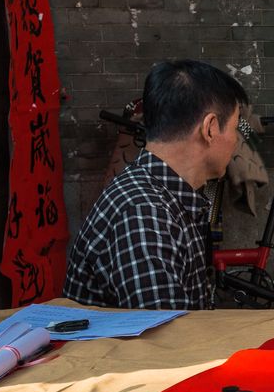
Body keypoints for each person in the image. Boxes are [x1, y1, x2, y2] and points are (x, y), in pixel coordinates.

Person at [66, 59, 246, 310]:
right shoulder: (144, 212)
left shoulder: (164, 195)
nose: (236, 142)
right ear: (210, 129)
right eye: (236, 128)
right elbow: (168, 339)